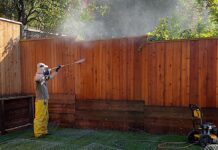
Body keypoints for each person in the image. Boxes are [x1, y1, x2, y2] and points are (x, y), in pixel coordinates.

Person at [33, 63, 61, 138]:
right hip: (40, 100)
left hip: (45, 100)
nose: (45, 69)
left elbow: (51, 77)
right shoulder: (38, 76)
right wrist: (46, 72)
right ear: (41, 68)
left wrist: (56, 70)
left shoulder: (43, 77)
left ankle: (43, 131)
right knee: (39, 116)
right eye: (44, 68)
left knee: (45, 116)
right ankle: (38, 133)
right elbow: (38, 79)